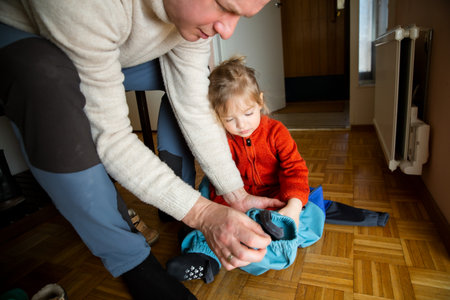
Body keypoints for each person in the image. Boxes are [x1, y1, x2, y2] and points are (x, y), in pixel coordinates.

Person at [0, 1, 286, 299]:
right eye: (222, 5)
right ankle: (132, 262)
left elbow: (193, 107)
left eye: (240, 14)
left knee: (207, 88)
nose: (227, 31)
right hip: (34, 36)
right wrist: (202, 214)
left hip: (110, 43)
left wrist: (235, 195)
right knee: (46, 87)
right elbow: (111, 138)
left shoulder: (196, 20)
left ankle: (173, 199)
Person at [166, 56, 326, 283]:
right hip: (233, 202)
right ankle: (203, 257)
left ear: (260, 102)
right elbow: (219, 186)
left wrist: (293, 206)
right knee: (210, 221)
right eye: (229, 119)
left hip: (273, 200)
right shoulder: (220, 140)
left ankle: (264, 235)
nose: (241, 125)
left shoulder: (276, 132)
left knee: (308, 216)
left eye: (248, 113)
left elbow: (295, 170)